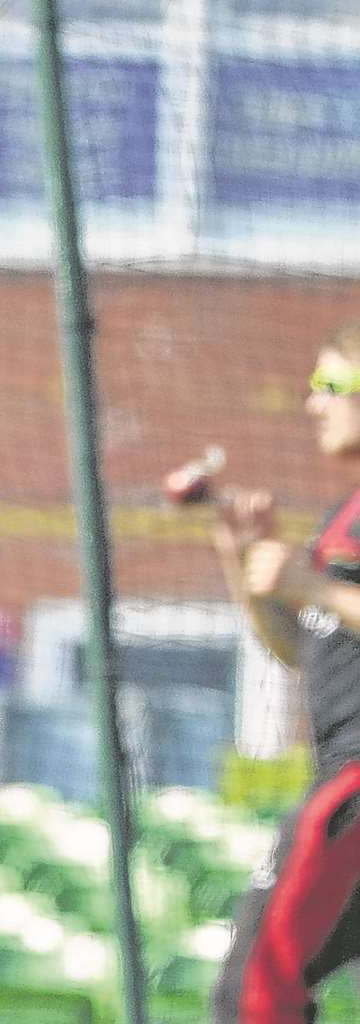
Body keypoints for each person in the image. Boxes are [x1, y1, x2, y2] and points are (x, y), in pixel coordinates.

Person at [210, 321, 360, 1023]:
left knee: (256, 991)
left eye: (331, 383)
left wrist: (316, 590)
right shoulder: (346, 512)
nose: (312, 402)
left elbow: (325, 604)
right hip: (338, 767)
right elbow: (304, 650)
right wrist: (247, 570)